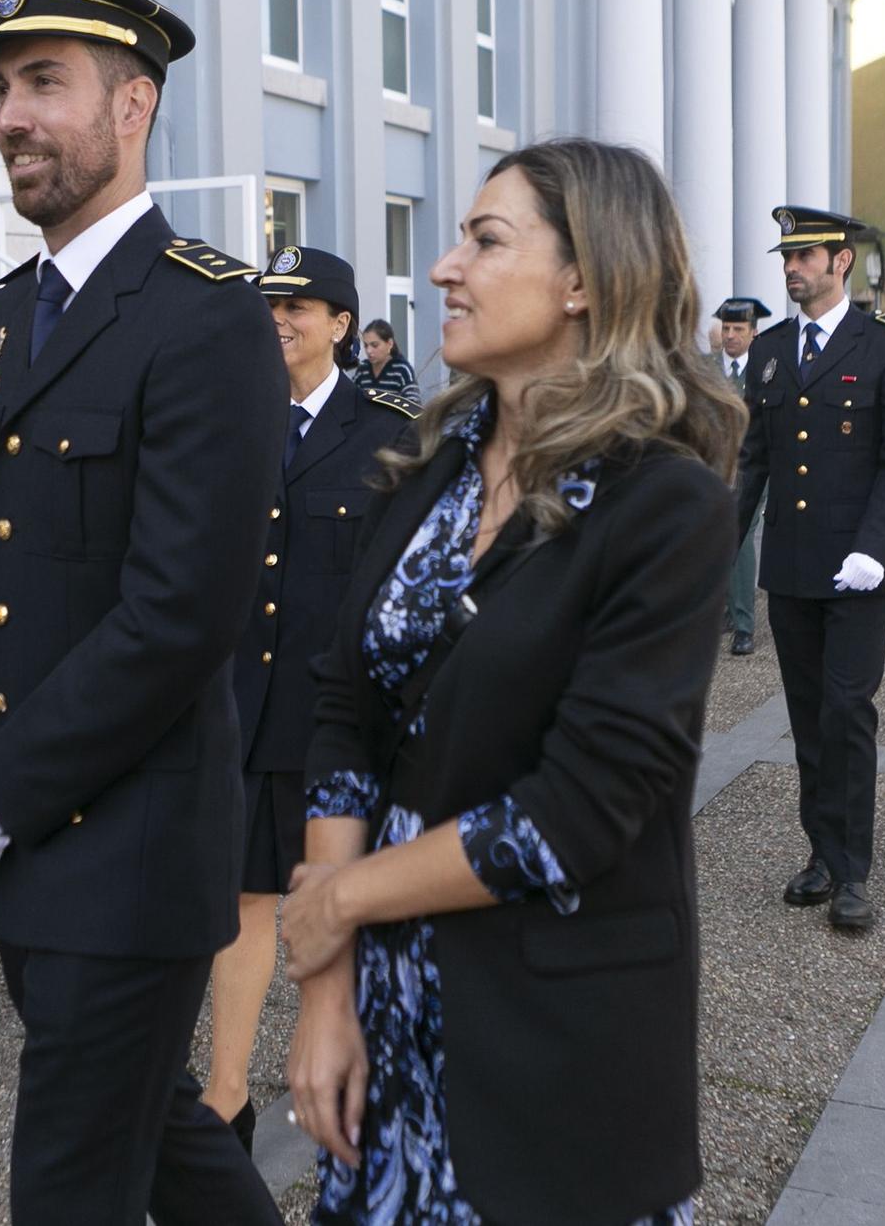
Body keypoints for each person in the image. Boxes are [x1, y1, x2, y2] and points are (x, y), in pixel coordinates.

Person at [277, 138, 742, 1224]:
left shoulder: (664, 505)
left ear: (583, 278)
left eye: (484, 241)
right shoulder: (427, 465)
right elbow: (342, 710)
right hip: (383, 1019)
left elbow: (575, 812)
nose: (444, 267)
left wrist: (333, 901)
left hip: (551, 1038)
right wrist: (327, 995)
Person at [0, 0, 286, 1225]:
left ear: (134, 107)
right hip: (25, 853)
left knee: (68, 1184)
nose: (9, 113)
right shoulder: (11, 313)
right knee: (157, 1126)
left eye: (44, 80)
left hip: (129, 856)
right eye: (4, 85)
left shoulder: (206, 315)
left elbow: (181, 613)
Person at [199, 247, 418, 1153]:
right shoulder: (221, 419)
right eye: (270, 304)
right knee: (244, 901)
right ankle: (224, 1096)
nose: (280, 317)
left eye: (302, 305)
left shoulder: (389, 433)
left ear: (342, 324)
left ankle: (349, 1078)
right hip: (239, 712)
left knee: (343, 905)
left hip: (337, 721)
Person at [734, 206, 885, 929]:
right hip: (792, 564)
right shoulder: (772, 349)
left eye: (806, 256)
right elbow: (754, 460)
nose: (792, 268)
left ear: (841, 261)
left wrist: (875, 547)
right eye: (787, 256)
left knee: (848, 712)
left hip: (859, 569)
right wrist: (719, 544)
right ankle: (821, 850)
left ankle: (851, 872)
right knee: (809, 717)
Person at [714, 296, 771, 654]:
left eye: (738, 329)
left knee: (742, 537)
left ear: (753, 332)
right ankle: (723, 611)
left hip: (749, 471)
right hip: (711, 470)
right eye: (726, 328)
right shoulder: (705, 368)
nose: (730, 335)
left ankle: (744, 625)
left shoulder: (765, 369)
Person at [355, 317, 422, 406]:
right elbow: (352, 398)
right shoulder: (363, 369)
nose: (369, 351)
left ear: (390, 343)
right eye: (366, 346)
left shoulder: (402, 370)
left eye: (374, 345)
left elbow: (414, 405)